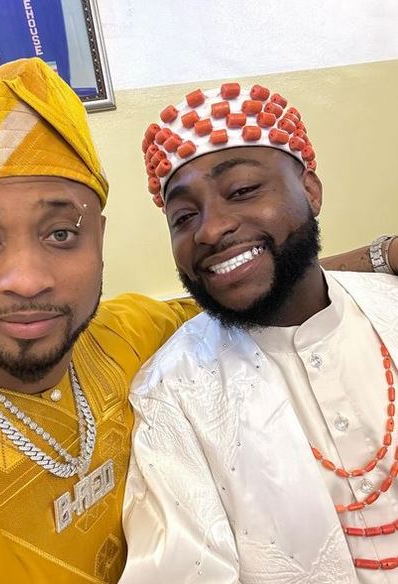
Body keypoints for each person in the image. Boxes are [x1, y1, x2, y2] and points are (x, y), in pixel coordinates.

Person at [0, 57, 201, 584]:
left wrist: (371, 258)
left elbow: (239, 302)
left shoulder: (130, 333)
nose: (28, 280)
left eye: (61, 234)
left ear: (99, 240)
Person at [120, 82, 398, 583]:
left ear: (310, 191)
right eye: (184, 216)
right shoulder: (171, 394)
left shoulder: (390, 304)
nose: (209, 230)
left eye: (243, 190)